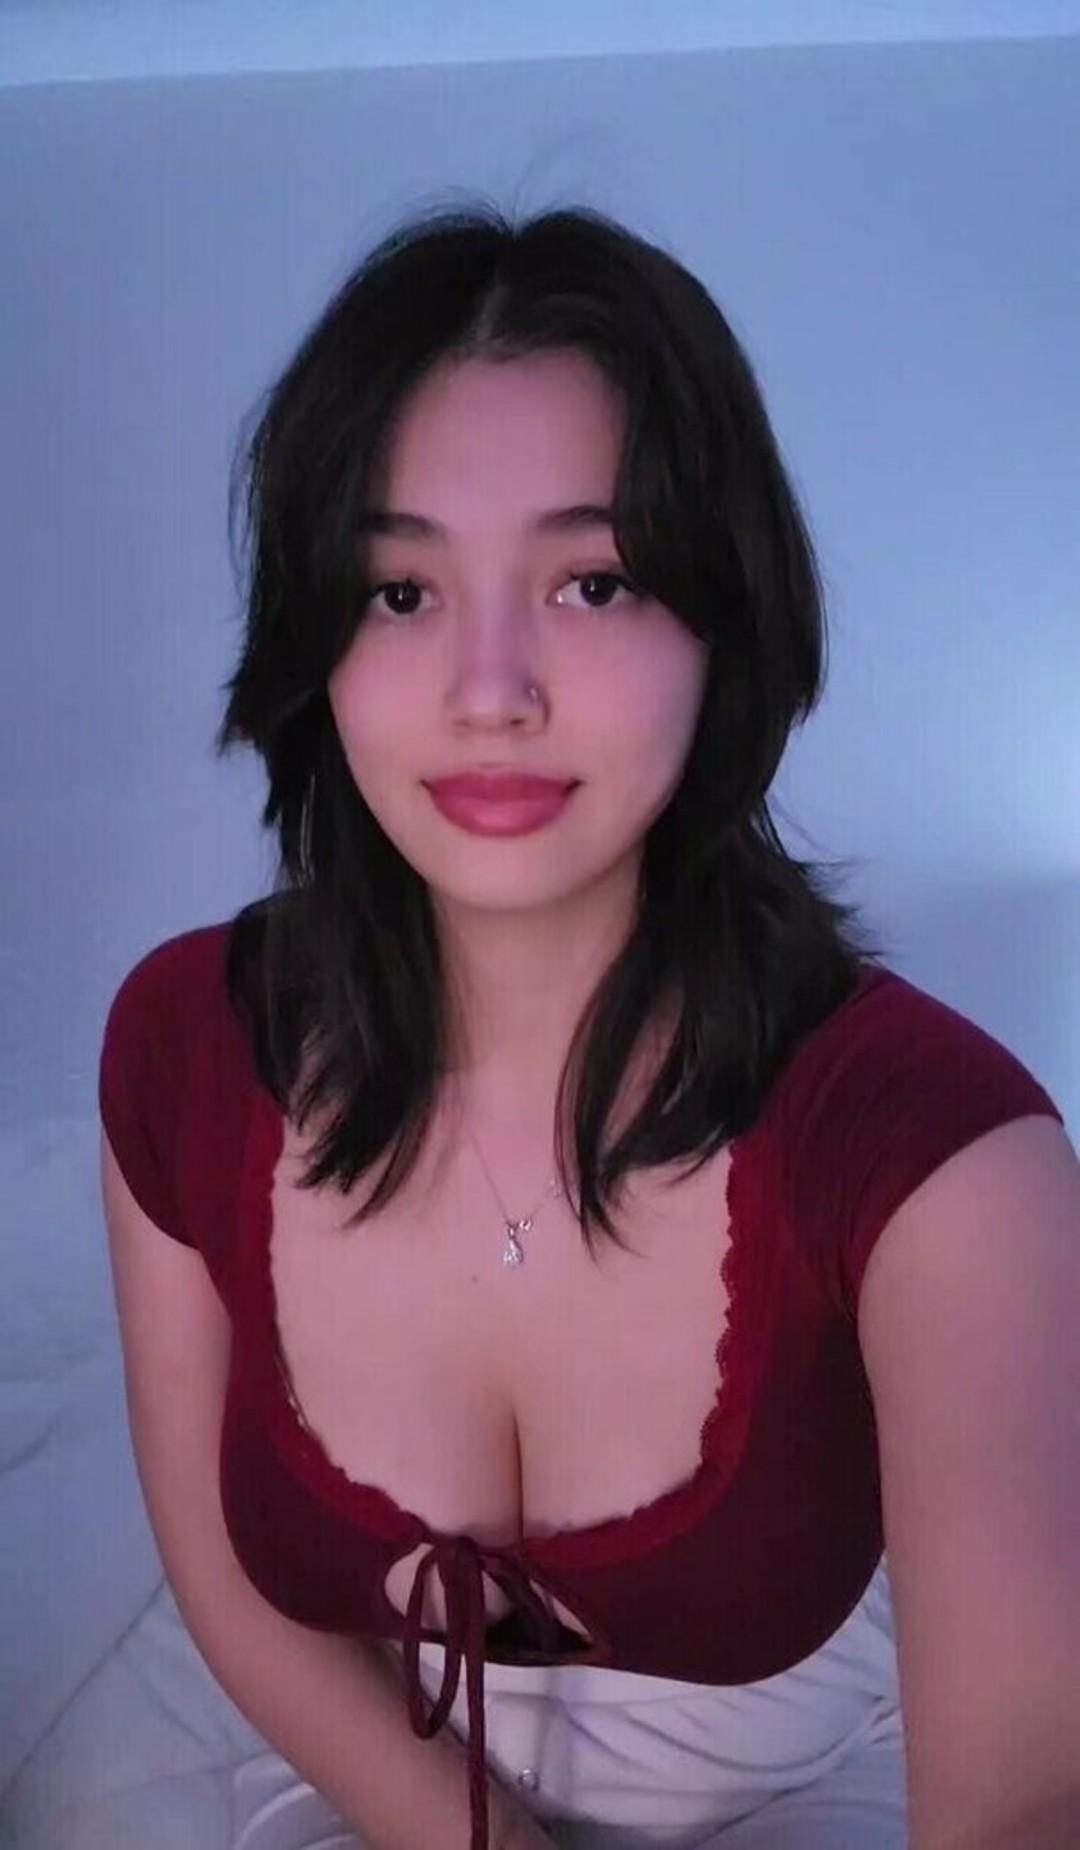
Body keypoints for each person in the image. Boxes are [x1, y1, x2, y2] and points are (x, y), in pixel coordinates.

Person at [99, 202, 1079, 1850]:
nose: (490, 688)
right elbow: (225, 1573)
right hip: (362, 1765)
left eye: (595, 579)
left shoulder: (940, 1148)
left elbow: (1028, 1792)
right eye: (399, 589)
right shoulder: (186, 1042)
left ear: (724, 616)